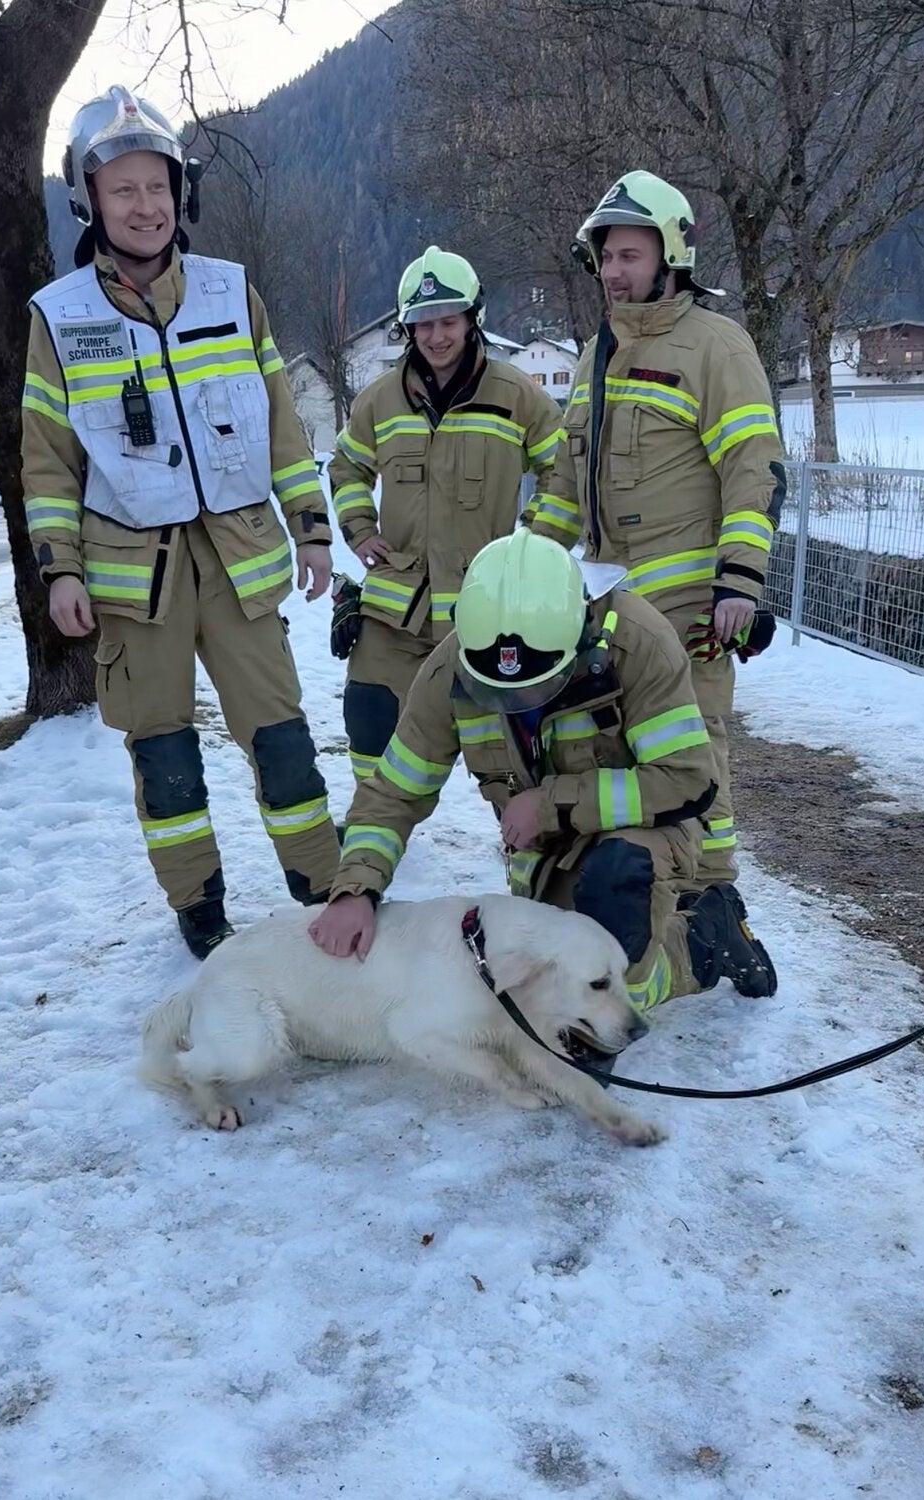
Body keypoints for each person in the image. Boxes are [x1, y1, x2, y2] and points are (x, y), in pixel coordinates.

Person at [21, 85, 339, 960]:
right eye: (122, 188)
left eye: (157, 185)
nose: (144, 204)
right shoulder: (61, 317)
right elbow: (47, 461)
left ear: (180, 191)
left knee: (282, 740)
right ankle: (199, 908)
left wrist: (311, 525)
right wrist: (62, 570)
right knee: (164, 758)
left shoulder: (232, 293)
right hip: (134, 584)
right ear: (89, 198)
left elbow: (281, 418)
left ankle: (325, 890)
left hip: (240, 565)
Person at [309, 529, 777, 1011]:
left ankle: (702, 942)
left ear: (579, 638)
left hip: (647, 831)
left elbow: (687, 779)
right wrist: (356, 889)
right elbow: (394, 793)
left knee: (606, 971)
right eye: (496, 692)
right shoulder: (451, 666)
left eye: (533, 689)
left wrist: (552, 803)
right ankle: (700, 934)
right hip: (547, 850)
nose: (512, 704)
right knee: (556, 980)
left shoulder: (639, 644)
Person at [530, 170, 785, 904]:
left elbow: (753, 468)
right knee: (623, 750)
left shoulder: (717, 346)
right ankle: (654, 897)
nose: (613, 272)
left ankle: (715, 904)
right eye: (606, 258)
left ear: (671, 256)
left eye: (630, 257)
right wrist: (531, 565)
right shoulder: (594, 355)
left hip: (693, 608)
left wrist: (739, 581)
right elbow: (564, 488)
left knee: (697, 749)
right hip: (614, 609)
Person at [327, 244, 566, 782]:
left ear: (471, 318)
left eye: (448, 321)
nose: (436, 336)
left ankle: (525, 830)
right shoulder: (379, 400)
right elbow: (346, 468)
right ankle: (373, 820)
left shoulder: (517, 395)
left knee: (506, 735)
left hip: (489, 608)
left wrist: (531, 544)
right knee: (369, 719)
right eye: (422, 324)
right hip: (397, 610)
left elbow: (564, 473)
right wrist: (360, 531)